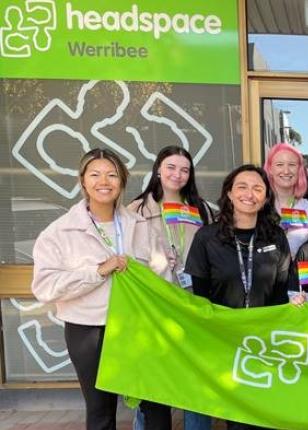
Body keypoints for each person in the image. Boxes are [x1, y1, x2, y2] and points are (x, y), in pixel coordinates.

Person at [31, 148, 170, 430]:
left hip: (139, 326)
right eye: (95, 174)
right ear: (83, 181)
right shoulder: (60, 232)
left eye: (112, 174)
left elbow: (162, 275)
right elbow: (44, 287)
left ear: (122, 182)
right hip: (89, 330)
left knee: (156, 403)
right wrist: (97, 272)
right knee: (100, 409)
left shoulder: (140, 224)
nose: (104, 181)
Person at [185, 165, 294, 430]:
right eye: (242, 187)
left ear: (266, 197)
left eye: (258, 188)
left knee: (258, 415)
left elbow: (282, 291)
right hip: (221, 339)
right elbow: (198, 296)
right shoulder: (207, 238)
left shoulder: (276, 237)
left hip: (262, 341)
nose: (250, 194)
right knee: (230, 415)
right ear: (229, 194)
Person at [128, 145, 213, 430]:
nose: (178, 175)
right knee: (154, 382)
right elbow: (127, 260)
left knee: (197, 380)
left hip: (192, 305)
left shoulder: (203, 210)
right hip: (155, 306)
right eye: (171, 167)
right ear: (158, 170)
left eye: (185, 170)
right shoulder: (135, 210)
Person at [264, 142, 308, 257]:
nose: (286, 171)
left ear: (299, 170)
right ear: (270, 169)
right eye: (279, 164)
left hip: (296, 272)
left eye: (292, 164)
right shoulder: (259, 205)